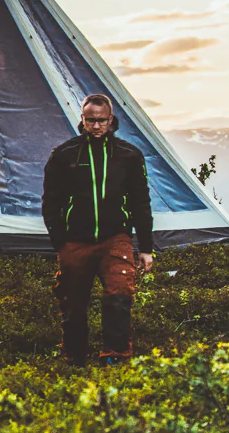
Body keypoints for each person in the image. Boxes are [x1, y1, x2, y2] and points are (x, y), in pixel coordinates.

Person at [41, 93, 155, 366]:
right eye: (90, 120)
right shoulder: (64, 154)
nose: (95, 126)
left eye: (101, 121)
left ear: (111, 120)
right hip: (75, 241)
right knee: (73, 302)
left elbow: (141, 202)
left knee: (119, 294)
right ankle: (74, 355)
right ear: (82, 119)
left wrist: (146, 248)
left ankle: (115, 355)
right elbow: (50, 201)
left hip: (116, 238)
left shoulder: (129, 155)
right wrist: (60, 241)